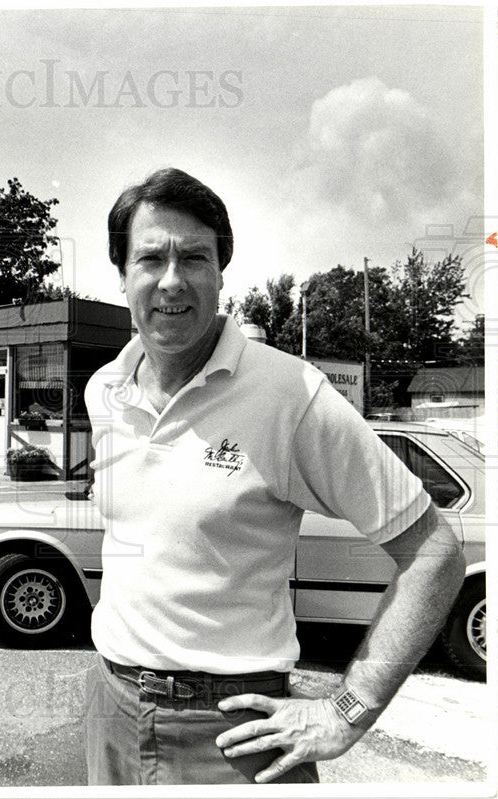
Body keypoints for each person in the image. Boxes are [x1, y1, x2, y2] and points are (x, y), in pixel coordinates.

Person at [83, 167, 466, 785]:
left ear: (221, 272)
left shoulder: (292, 395)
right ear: (123, 275)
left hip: (232, 733)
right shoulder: (105, 390)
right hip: (112, 706)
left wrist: (345, 714)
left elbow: (434, 555)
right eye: (150, 258)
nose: (172, 280)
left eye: (195, 258)